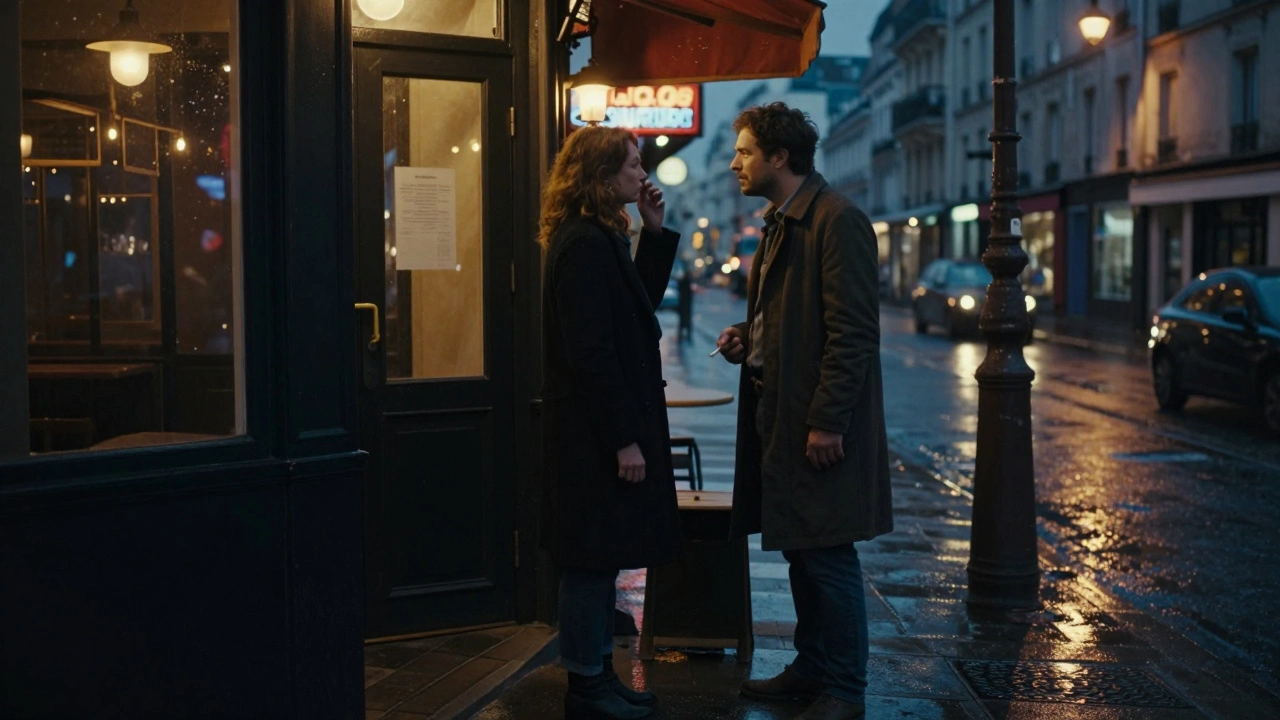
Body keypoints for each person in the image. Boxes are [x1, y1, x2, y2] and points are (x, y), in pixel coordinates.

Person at [716, 102, 893, 720]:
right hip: (780, 413)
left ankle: (844, 687)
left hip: (814, 422)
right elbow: (787, 317)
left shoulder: (836, 221)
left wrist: (828, 420)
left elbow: (851, 334)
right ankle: (811, 667)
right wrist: (748, 336)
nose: (734, 162)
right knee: (801, 548)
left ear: (779, 156)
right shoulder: (780, 223)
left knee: (827, 551)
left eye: (743, 151)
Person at [538, 126, 682, 720]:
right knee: (590, 562)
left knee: (602, 558)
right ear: (599, 177)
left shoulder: (601, 238)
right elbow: (591, 352)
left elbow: (636, 312)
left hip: (602, 432)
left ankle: (599, 672)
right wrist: (624, 437)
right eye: (630, 165)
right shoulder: (582, 245)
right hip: (594, 437)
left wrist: (653, 231)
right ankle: (586, 685)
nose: (641, 174)